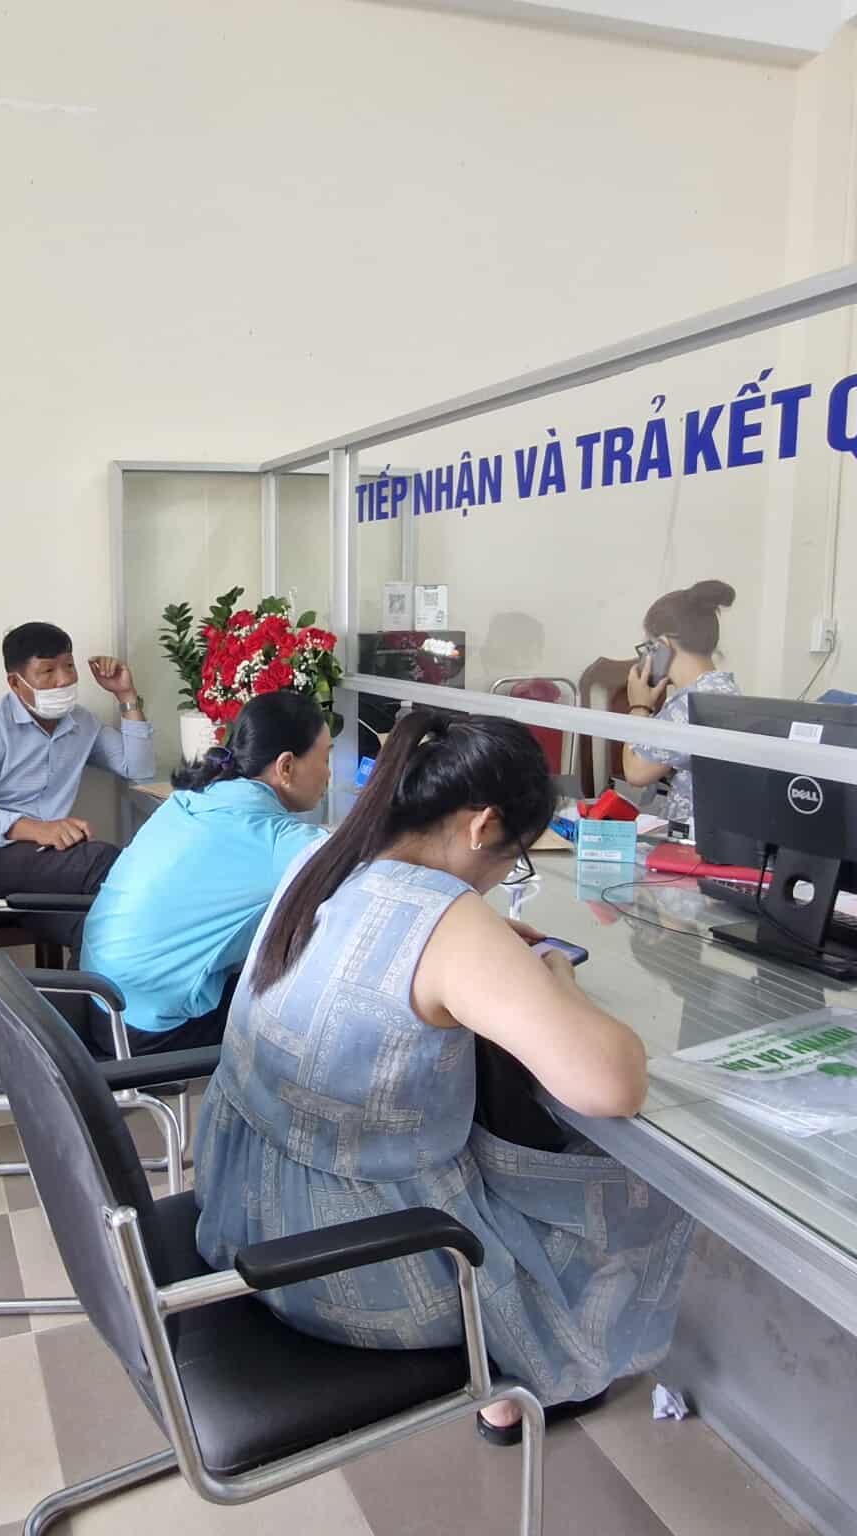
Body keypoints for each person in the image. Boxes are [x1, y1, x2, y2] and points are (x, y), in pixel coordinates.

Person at [192, 710, 693, 1445]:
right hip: (348, 1262)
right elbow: (614, 1083)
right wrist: (554, 977)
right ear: (483, 826)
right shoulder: (450, 921)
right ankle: (519, 1374)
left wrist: (483, 948)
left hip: (238, 1206)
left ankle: (500, 1370)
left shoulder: (324, 860)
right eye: (511, 861)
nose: (500, 883)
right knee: (638, 1188)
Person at [78, 691, 330, 1055]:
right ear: (286, 766)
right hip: (145, 1029)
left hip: (101, 998)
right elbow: (369, 875)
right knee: (316, 1003)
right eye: (325, 758)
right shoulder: (277, 841)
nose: (329, 773)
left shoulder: (192, 799)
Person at [0, 623, 154, 937]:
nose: (65, 678)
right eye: (48, 670)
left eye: (69, 666)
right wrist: (39, 830)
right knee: (101, 861)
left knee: (98, 927)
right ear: (16, 682)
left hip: (44, 869)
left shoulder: (80, 723)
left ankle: (87, 989)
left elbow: (138, 768)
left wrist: (126, 694)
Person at [620, 579, 742, 827]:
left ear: (663, 645)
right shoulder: (725, 690)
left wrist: (639, 707)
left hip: (688, 843)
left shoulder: (690, 704)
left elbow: (636, 772)